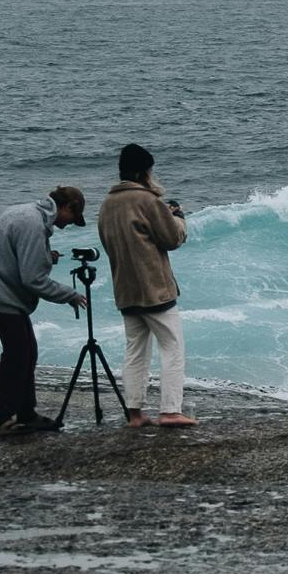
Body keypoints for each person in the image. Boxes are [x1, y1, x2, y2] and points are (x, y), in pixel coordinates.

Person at [0, 185, 88, 437]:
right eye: (73, 218)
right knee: (17, 355)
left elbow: (20, 256)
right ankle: (2, 420)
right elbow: (33, 279)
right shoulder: (33, 225)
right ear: (68, 207)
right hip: (1, 293)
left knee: (27, 352)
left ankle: (26, 413)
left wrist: (46, 255)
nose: (69, 225)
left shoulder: (28, 213)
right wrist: (70, 295)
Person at [96, 142, 196, 427]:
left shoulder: (107, 204)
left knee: (135, 351)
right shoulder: (147, 200)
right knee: (172, 347)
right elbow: (172, 239)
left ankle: (135, 413)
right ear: (144, 172)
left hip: (125, 289)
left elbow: (107, 243)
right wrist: (177, 216)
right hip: (154, 288)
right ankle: (170, 411)